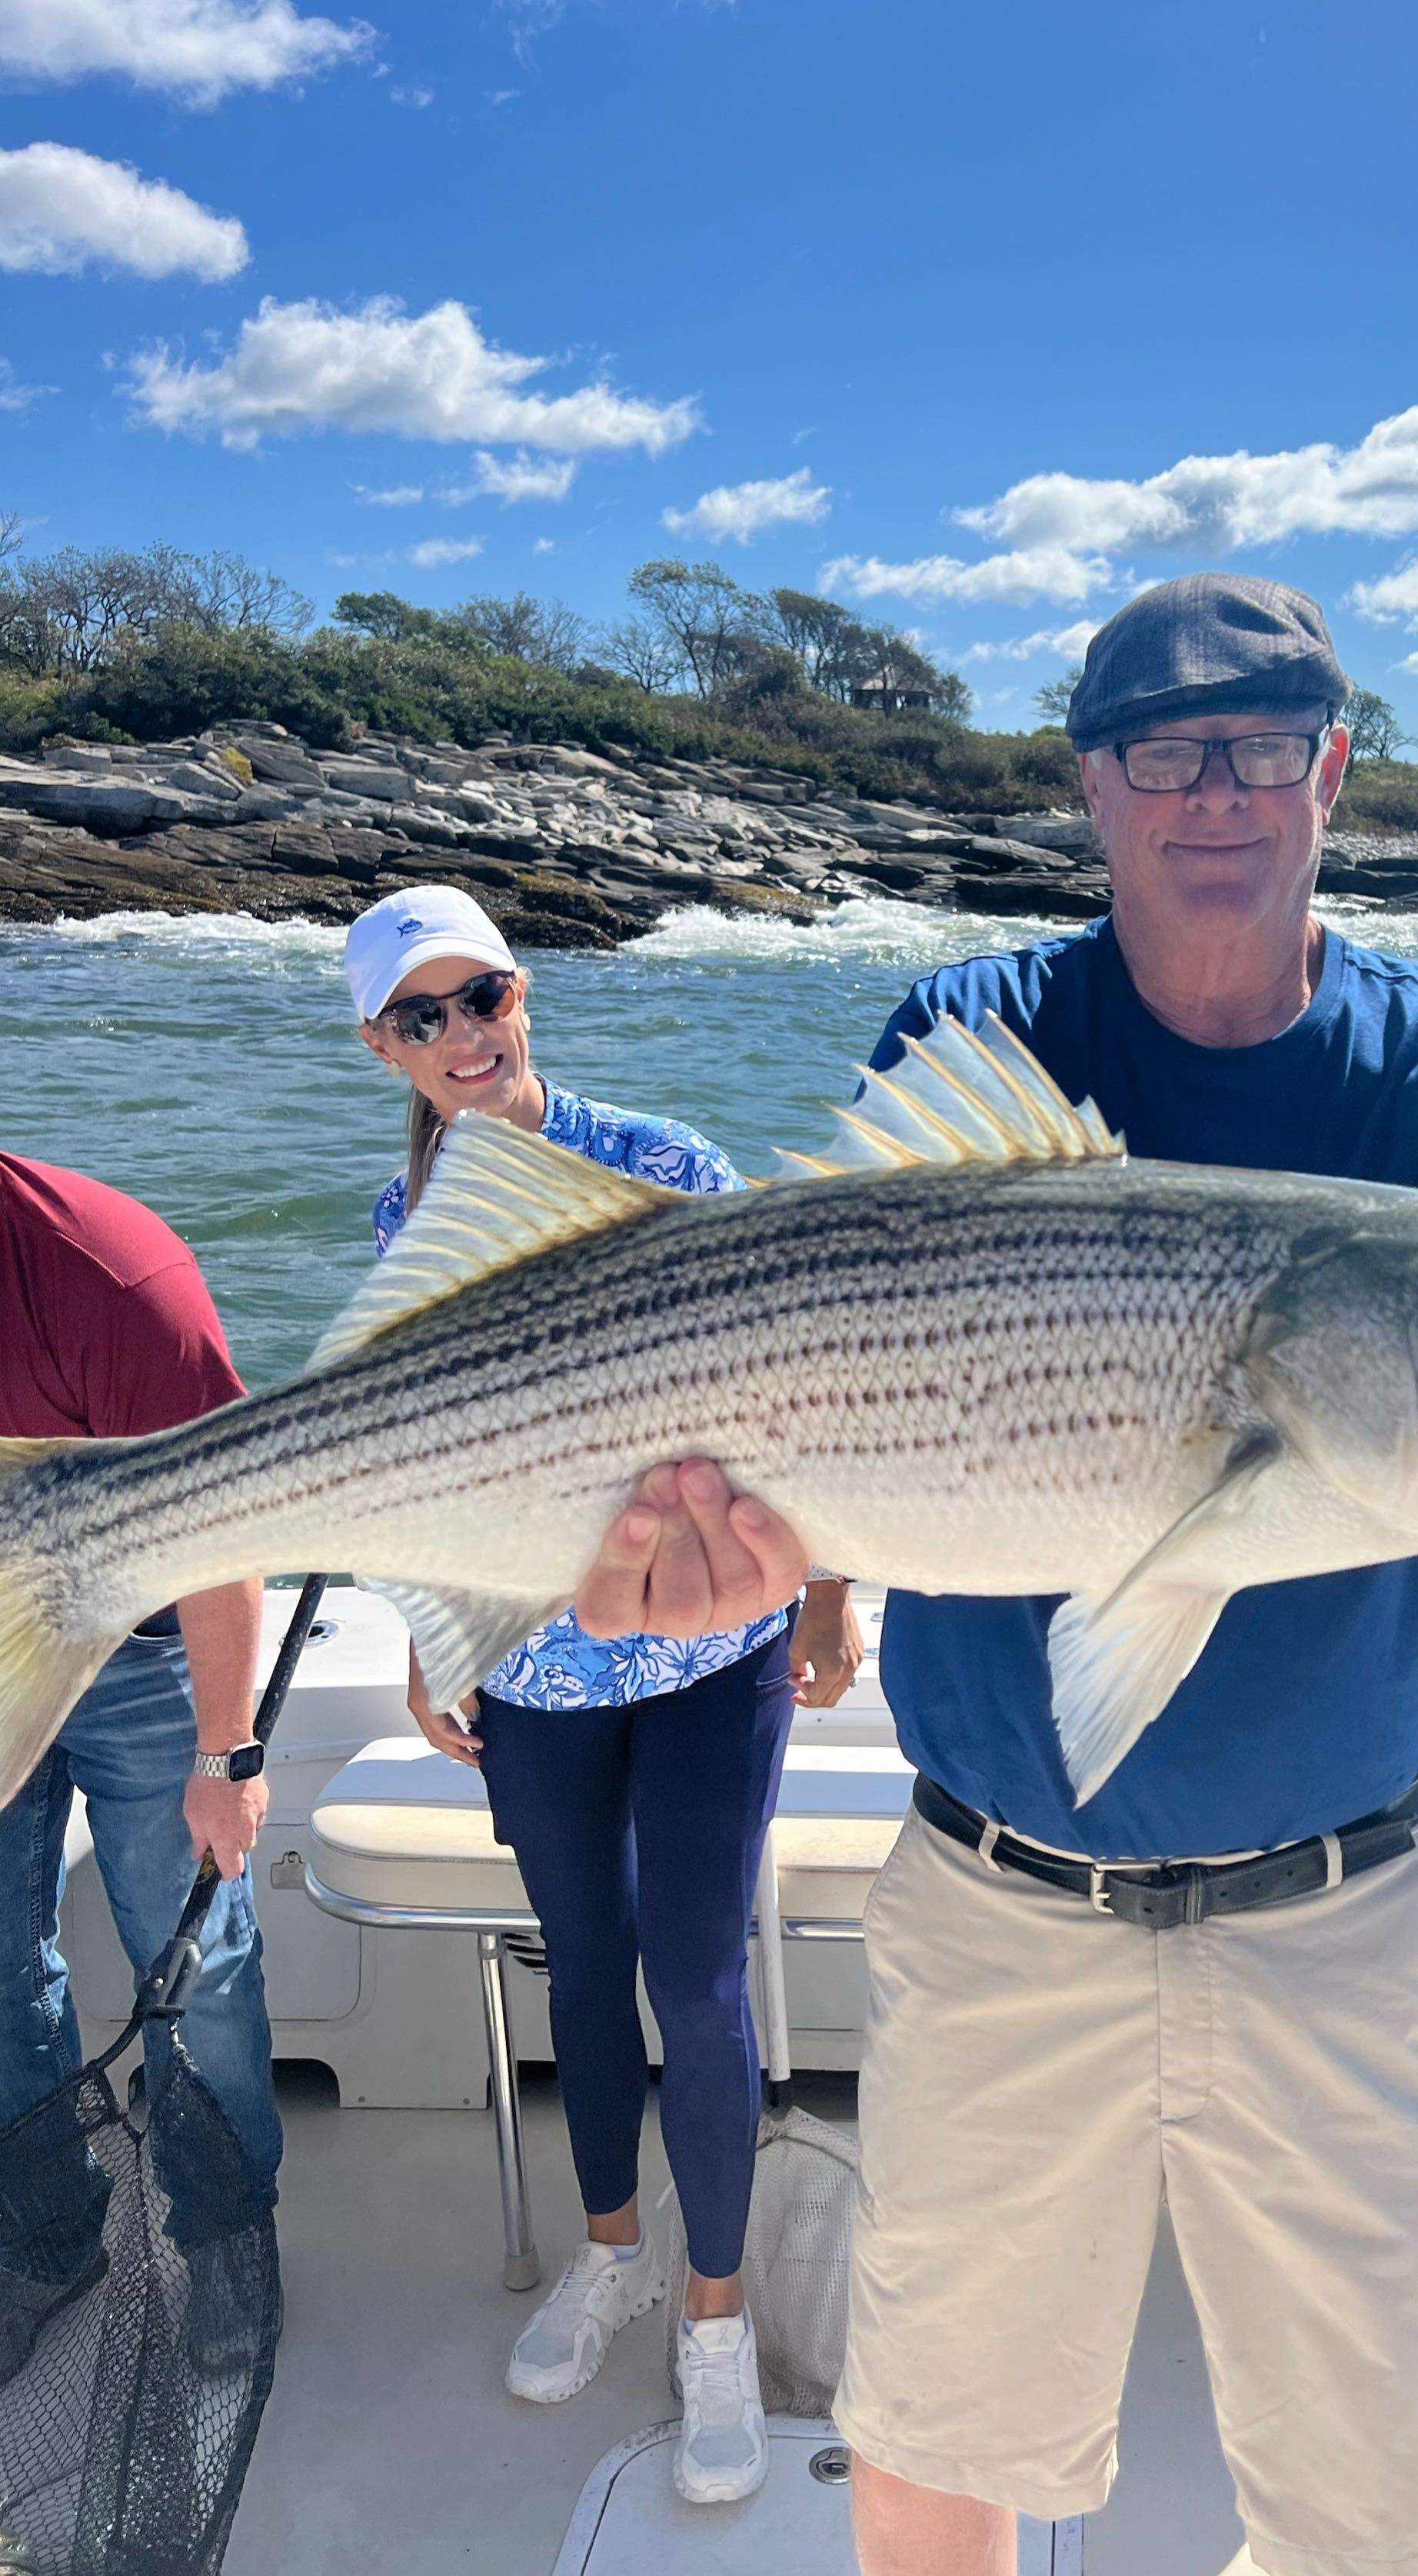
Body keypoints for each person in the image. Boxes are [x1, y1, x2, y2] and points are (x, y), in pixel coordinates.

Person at [554, 574, 1418, 2576]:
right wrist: (706, 1567)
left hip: (1350, 1923)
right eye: (1165, 748)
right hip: (1001, 1905)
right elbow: (822, 1423)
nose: (1218, 789)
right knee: (932, 2458)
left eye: (1267, 740)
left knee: (1364, 2507)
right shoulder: (978, 1029)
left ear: (1333, 767)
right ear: (1092, 782)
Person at [345, 884, 861, 2508]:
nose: (461, 1036)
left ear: (523, 992)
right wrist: (434, 1640)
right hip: (537, 1668)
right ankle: (613, 2251)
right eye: (419, 1016)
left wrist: (836, 1593)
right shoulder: (398, 1218)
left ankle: (714, 2317)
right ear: (382, 1046)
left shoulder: (673, 1162)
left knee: (700, 1980)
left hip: (711, 1659)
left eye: (480, 995)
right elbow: (422, 1456)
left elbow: (819, 1389)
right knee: (584, 1965)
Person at [0, 1154, 277, 2271]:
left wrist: (227, 1751)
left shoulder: (107, 1274)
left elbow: (222, 1525)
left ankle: (223, 2238)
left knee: (196, 1959)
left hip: (145, 1642)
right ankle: (48, 2232)